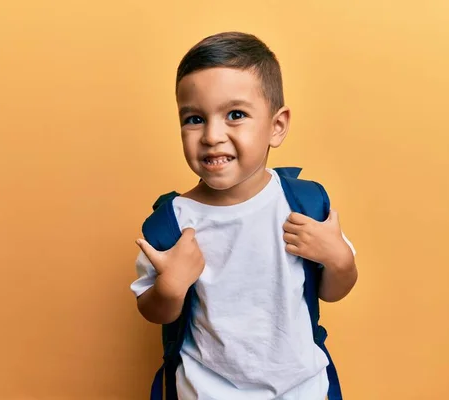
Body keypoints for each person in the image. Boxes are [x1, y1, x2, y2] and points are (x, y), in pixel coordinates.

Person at [130, 31, 358, 400]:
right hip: (206, 391)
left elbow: (333, 291)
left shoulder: (304, 204)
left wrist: (339, 259)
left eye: (235, 115)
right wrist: (170, 287)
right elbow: (153, 310)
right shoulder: (171, 223)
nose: (212, 135)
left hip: (301, 388)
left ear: (276, 126)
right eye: (194, 119)